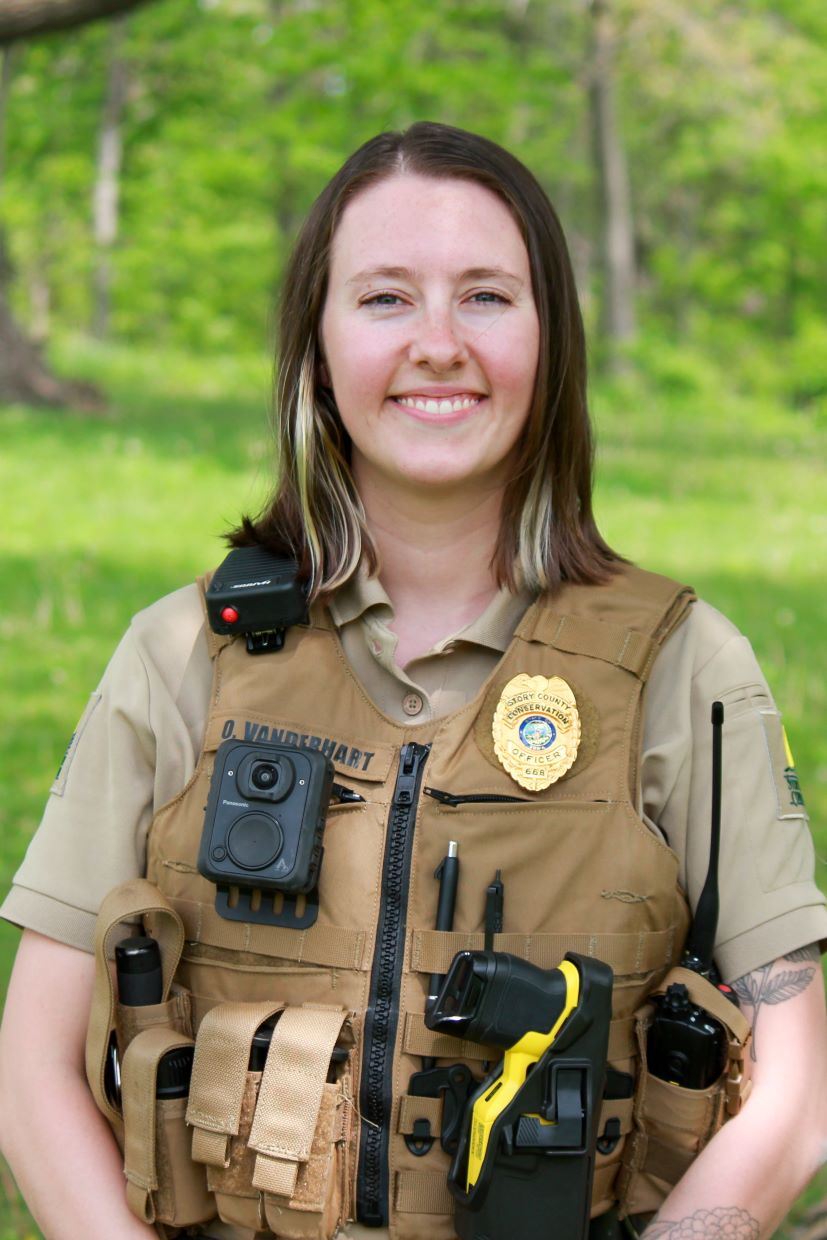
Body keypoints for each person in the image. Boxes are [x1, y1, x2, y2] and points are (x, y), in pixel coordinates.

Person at [0, 122, 825, 1240]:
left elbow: (794, 1093)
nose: (437, 343)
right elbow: (32, 1075)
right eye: (385, 299)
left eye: (485, 295)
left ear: (550, 340)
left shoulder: (685, 665)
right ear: (317, 347)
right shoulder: (178, 653)